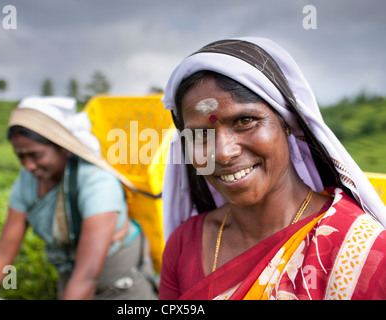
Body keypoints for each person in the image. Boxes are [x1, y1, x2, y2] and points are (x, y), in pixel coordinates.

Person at [159, 37, 386, 300]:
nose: (223, 152)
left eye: (245, 121)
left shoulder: (360, 250)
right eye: (200, 134)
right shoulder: (185, 243)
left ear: (287, 122)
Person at [0, 96, 157, 300]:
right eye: (21, 156)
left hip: (120, 286)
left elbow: (87, 275)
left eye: (36, 155)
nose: (28, 166)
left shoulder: (97, 182)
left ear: (62, 146)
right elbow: (4, 251)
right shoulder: (27, 180)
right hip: (72, 280)